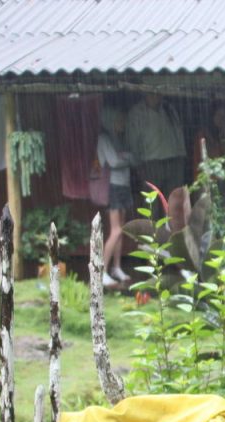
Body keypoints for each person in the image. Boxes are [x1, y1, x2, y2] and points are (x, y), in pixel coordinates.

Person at [96, 107, 134, 287]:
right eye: (118, 120)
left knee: (122, 229)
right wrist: (128, 159)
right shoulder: (104, 138)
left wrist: (126, 158)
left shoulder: (120, 139)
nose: (122, 124)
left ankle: (117, 268)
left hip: (124, 185)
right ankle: (101, 272)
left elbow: (131, 158)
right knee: (116, 230)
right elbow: (114, 162)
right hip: (112, 186)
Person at [126, 94, 188, 196]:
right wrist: (137, 165)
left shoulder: (169, 108)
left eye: (157, 93)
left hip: (174, 160)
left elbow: (178, 132)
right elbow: (132, 141)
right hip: (150, 164)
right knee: (151, 201)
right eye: (151, 93)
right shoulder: (136, 113)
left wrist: (182, 155)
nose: (155, 96)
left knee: (174, 201)